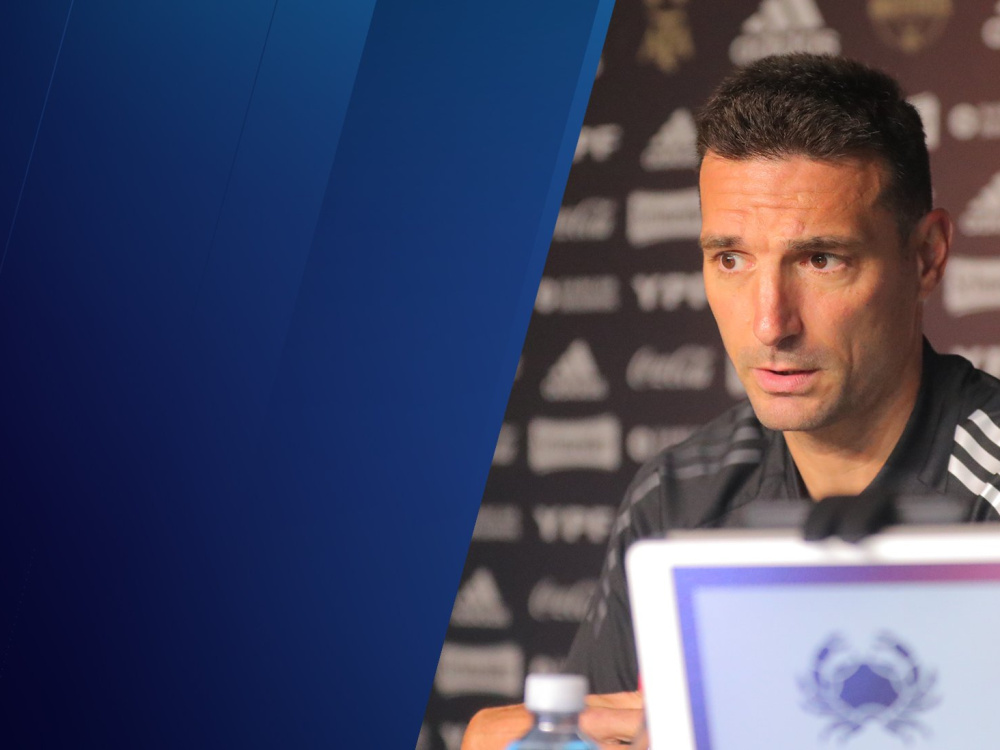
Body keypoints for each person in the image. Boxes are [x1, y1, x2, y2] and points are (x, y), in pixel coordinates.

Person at [461, 52, 1000, 750]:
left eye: (821, 259)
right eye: (731, 259)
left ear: (926, 256)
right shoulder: (679, 497)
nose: (770, 323)